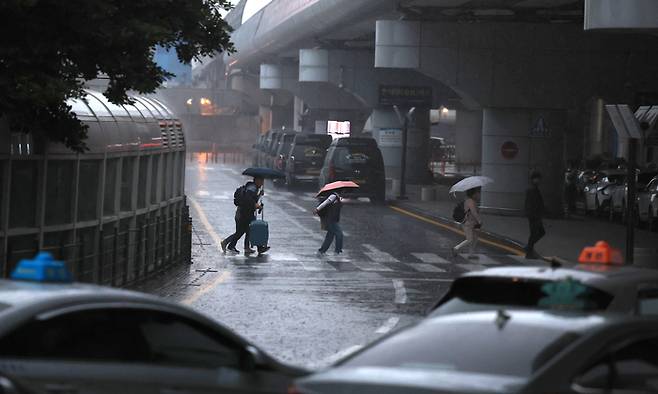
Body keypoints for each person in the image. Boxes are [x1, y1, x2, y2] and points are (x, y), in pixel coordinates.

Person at [221, 176, 265, 255]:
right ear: (257, 180)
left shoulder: (254, 188)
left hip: (246, 213)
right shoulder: (252, 188)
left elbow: (252, 199)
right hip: (243, 213)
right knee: (242, 231)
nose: (262, 183)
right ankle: (227, 243)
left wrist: (259, 195)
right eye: (261, 181)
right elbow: (248, 199)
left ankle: (247, 247)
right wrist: (255, 205)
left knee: (249, 230)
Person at [452, 187, 482, 259]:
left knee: (475, 239)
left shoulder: (472, 201)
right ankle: (456, 248)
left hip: (473, 223)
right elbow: (474, 212)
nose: (479, 194)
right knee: (470, 239)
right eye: (477, 193)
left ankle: (471, 254)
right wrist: (479, 220)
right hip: (468, 223)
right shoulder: (470, 201)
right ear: (473, 194)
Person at [525, 171, 546, 259]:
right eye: (538, 178)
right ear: (534, 179)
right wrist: (532, 215)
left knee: (539, 232)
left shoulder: (535, 188)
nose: (539, 180)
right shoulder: (532, 189)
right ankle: (529, 251)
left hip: (536, 215)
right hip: (534, 216)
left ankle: (529, 248)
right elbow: (529, 204)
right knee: (535, 233)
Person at [314, 191, 343, 255]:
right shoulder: (333, 196)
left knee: (330, 236)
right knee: (339, 234)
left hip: (333, 219)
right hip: (330, 219)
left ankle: (322, 250)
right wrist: (317, 209)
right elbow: (325, 203)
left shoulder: (338, 197)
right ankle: (337, 250)